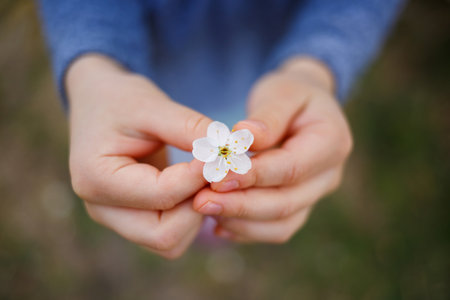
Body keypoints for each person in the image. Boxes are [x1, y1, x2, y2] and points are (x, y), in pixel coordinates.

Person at [37, 0, 405, 259]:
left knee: (241, 182)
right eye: (227, 151)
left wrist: (312, 70)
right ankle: (205, 218)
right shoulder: (197, 136)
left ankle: (218, 222)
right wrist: (95, 68)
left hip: (267, 78)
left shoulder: (240, 138)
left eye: (230, 151)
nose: (228, 153)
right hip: (148, 86)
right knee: (169, 171)